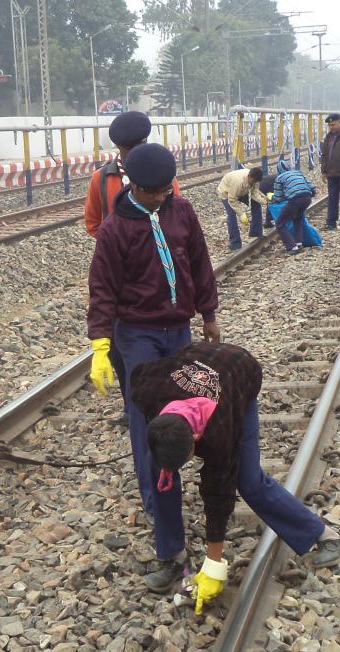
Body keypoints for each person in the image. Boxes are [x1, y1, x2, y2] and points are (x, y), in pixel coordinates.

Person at [131, 341, 340, 607]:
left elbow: (218, 493)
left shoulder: (220, 430)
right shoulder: (147, 390)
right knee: (157, 471)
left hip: (239, 372)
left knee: (249, 481)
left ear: (196, 437)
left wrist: (214, 564)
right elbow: (137, 374)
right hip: (196, 360)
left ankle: (324, 536)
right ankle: (173, 556)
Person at [87, 142, 220, 527]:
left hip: (178, 329)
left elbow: (199, 261)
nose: (164, 197)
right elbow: (102, 289)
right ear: (136, 187)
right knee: (146, 415)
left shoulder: (181, 211)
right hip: (137, 333)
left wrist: (208, 313)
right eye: (157, 193)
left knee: (182, 406)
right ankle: (156, 498)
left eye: (167, 190)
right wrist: (100, 343)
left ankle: (179, 470)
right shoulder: (115, 229)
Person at [84, 111, 181, 426]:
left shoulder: (162, 173)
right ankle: (133, 407)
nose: (137, 151)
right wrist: (118, 246)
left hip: (158, 271)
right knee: (118, 345)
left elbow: (176, 217)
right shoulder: (102, 179)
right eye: (131, 148)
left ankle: (162, 408)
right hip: (118, 275)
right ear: (120, 149)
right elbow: (93, 221)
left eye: (140, 144)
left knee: (158, 340)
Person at [269, 157, 316, 253]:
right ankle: (299, 243)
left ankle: (292, 247)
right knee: (297, 219)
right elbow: (312, 188)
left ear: (279, 170)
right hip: (307, 198)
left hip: (295, 200)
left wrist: (272, 198)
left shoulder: (279, 178)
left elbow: (278, 197)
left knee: (280, 223)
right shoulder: (298, 173)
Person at [216, 167, 267, 251]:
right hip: (226, 192)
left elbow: (254, 193)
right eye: (253, 181)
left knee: (256, 205)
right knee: (232, 215)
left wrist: (265, 201)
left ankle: (256, 232)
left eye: (256, 182)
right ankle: (235, 243)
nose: (254, 183)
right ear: (249, 176)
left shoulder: (255, 181)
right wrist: (241, 214)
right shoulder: (238, 182)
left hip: (242, 191)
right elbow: (232, 199)